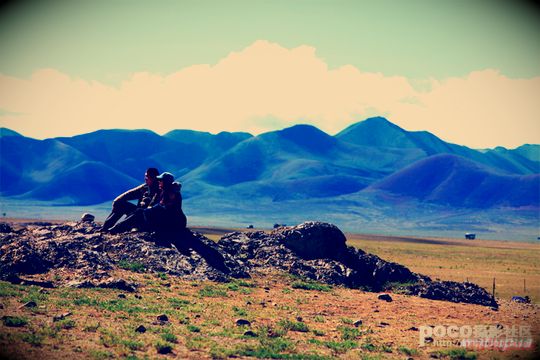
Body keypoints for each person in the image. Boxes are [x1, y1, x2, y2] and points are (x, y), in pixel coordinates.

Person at [108, 172, 187, 234]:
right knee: (139, 212)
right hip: (163, 220)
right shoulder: (160, 192)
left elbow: (162, 207)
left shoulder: (172, 193)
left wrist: (147, 211)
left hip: (171, 223)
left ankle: (116, 229)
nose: (159, 182)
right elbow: (152, 205)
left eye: (161, 181)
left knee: (140, 212)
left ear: (165, 182)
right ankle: (115, 228)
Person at [102, 167, 160, 231]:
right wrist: (116, 204)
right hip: (137, 214)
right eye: (146, 176)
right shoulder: (144, 188)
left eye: (149, 177)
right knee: (121, 204)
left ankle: (114, 230)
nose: (146, 179)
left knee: (139, 212)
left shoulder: (160, 190)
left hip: (147, 219)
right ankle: (105, 228)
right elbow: (124, 196)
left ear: (155, 178)